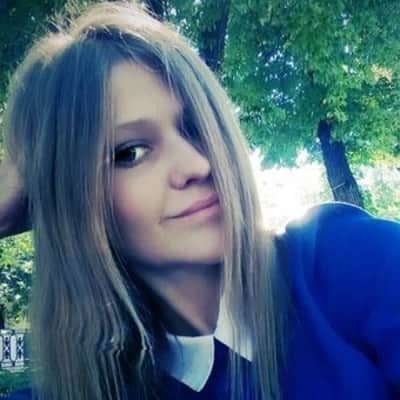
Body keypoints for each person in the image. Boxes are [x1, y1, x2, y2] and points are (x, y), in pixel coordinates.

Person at [0, 2, 399, 400]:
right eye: (130, 152)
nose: (198, 164)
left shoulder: (347, 263)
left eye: (196, 127)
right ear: (71, 200)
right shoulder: (74, 390)